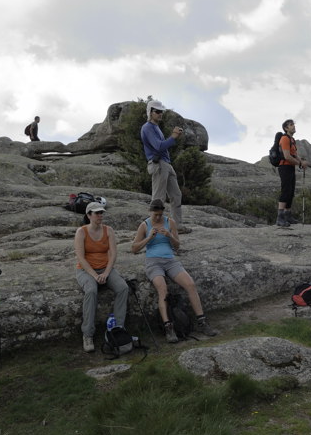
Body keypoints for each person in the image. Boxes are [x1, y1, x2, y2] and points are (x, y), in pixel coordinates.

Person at [131, 198, 217, 343]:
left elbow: (177, 246)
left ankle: (202, 322)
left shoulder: (170, 222)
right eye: (155, 215)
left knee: (190, 284)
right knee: (162, 288)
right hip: (153, 262)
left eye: (160, 214)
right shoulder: (144, 225)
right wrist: (149, 238)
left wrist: (169, 235)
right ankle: (168, 328)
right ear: (150, 212)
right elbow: (134, 248)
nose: (158, 217)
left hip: (170, 260)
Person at [74, 201, 128, 353]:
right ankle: (88, 334)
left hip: (106, 268)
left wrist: (105, 273)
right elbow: (81, 258)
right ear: (89, 215)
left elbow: (113, 254)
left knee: (123, 288)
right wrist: (94, 275)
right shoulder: (81, 232)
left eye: (101, 212)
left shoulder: (108, 230)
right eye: (97, 213)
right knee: (91, 291)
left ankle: (118, 328)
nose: (100, 215)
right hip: (86, 270)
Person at [140, 99, 189, 233]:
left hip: (165, 164)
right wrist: (173, 137)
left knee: (176, 195)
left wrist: (172, 138)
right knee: (158, 198)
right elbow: (159, 146)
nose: (160, 113)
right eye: (157, 111)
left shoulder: (156, 127)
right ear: (150, 112)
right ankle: (153, 228)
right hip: (159, 164)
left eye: (161, 111)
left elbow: (160, 146)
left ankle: (177, 226)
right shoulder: (148, 127)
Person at [276, 118, 307, 227]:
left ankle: (287, 215)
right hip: (284, 167)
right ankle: (280, 218)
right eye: (291, 125)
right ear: (286, 128)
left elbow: (295, 154)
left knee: (291, 191)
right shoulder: (284, 139)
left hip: (290, 168)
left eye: (293, 124)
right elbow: (287, 156)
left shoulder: (292, 140)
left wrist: (301, 162)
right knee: (285, 191)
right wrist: (299, 164)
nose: (293, 126)